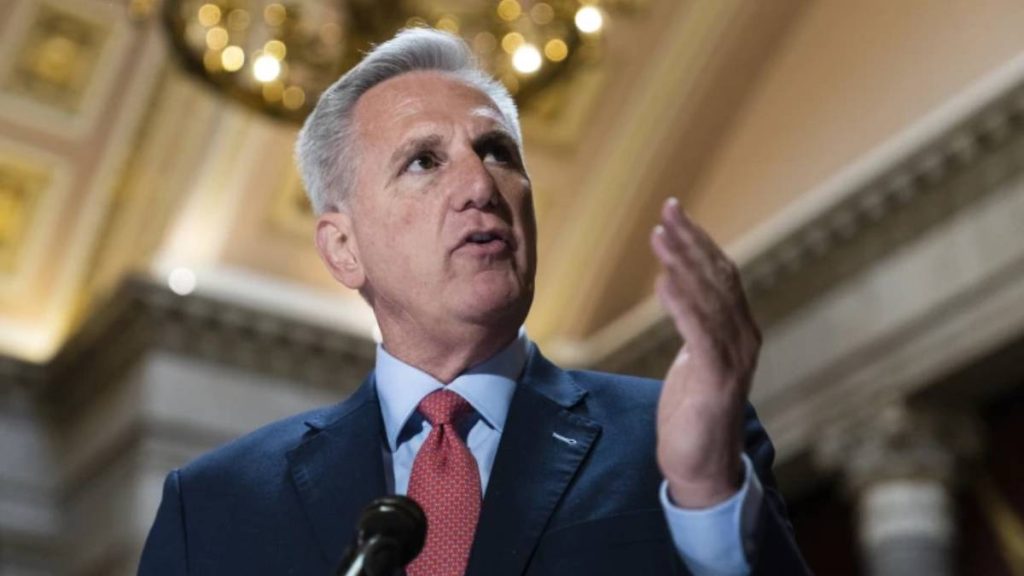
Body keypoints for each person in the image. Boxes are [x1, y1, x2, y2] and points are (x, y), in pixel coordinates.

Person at [139, 29, 811, 576]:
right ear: (343, 248)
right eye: (424, 161)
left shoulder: (675, 443)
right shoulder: (216, 507)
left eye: (496, 152)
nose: (480, 187)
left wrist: (705, 491)